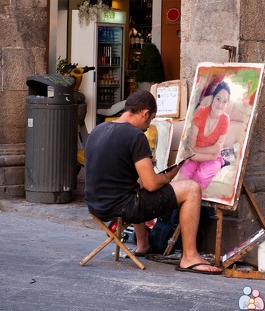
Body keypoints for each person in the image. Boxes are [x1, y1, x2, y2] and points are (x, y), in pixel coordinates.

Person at [85, 90, 222, 274]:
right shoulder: (135, 135)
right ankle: (189, 257)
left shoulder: (98, 130)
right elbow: (152, 184)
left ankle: (143, 245)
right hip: (124, 207)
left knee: (136, 186)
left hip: (96, 206)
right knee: (192, 188)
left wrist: (144, 165)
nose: (148, 126)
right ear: (145, 113)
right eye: (150, 120)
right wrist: (169, 175)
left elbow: (115, 169)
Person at [178, 81, 231, 190]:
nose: (220, 105)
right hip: (194, 156)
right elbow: (191, 146)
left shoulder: (225, 120)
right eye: (218, 99)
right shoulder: (200, 112)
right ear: (213, 98)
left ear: (227, 104)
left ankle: (196, 205)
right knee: (184, 174)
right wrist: (210, 149)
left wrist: (194, 153)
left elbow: (215, 154)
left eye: (225, 101)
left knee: (201, 176)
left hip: (211, 159)